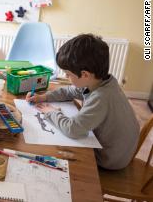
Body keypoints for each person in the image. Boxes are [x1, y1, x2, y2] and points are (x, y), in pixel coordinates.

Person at [26, 34, 139, 170]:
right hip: (118, 150)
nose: (66, 77)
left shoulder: (101, 97)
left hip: (109, 159)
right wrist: (44, 97)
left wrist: (51, 112)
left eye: (68, 74)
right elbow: (70, 91)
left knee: (53, 154)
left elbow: (72, 129)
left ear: (85, 74)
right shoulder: (102, 81)